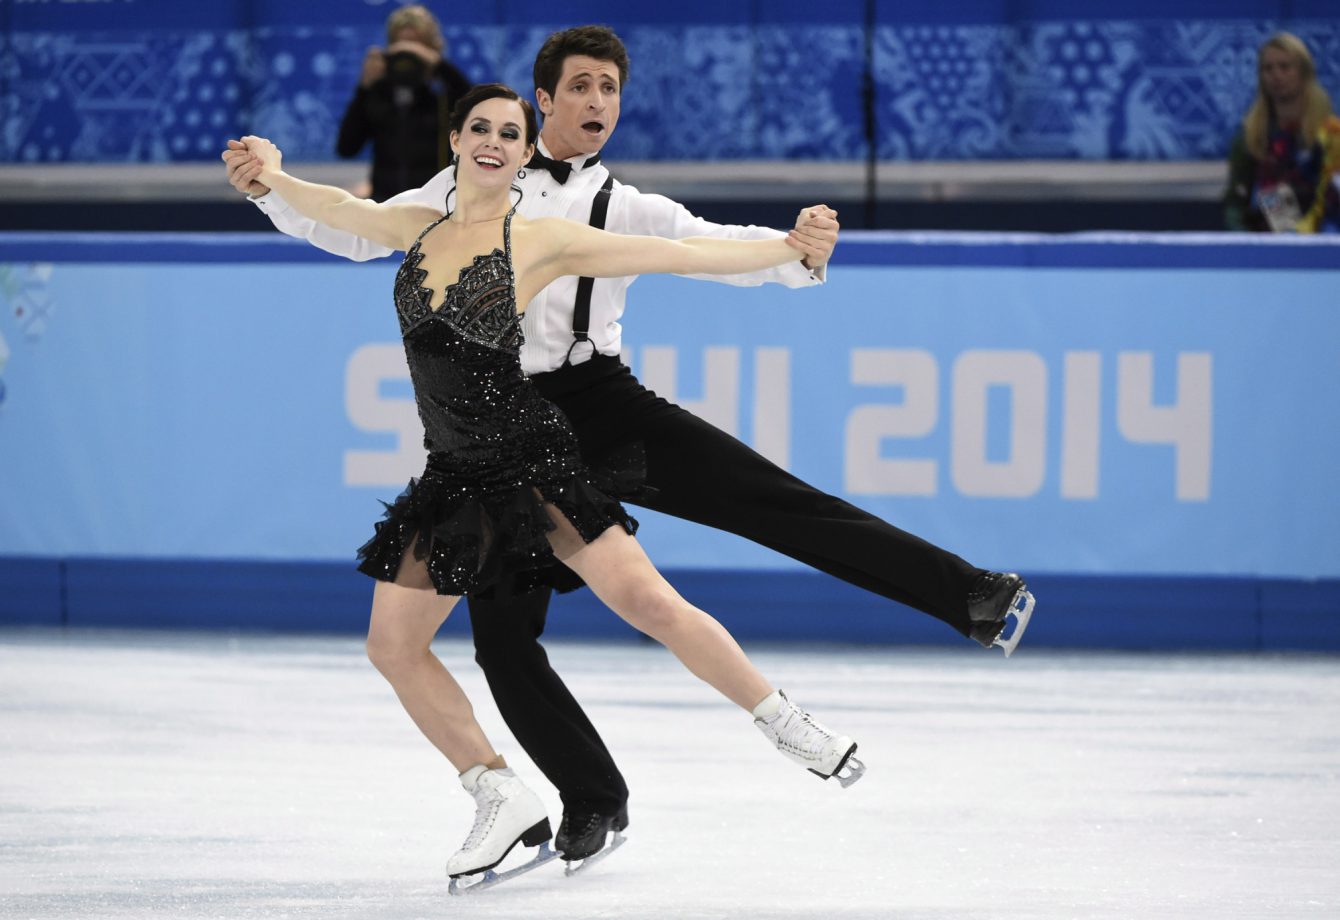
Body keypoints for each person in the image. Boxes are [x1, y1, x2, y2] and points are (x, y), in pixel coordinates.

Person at [223, 24, 1034, 870]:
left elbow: (698, 246)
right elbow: (361, 225)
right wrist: (270, 188)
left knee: (769, 503)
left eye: (608, 89)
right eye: (579, 86)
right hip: (491, 435)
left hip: (600, 406)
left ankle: (967, 596)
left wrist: (795, 257)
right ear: (541, 100)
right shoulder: (465, 182)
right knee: (502, 641)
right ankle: (589, 802)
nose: (596, 103)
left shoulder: (624, 206)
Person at [336, 4, 472, 202]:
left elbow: (475, 106)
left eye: (417, 46)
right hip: (387, 205)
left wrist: (440, 66)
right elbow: (346, 148)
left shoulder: (443, 93)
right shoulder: (380, 92)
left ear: (432, 49)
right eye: (402, 46)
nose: (409, 56)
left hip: (437, 204)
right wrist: (364, 88)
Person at [1223, 31, 1340, 233]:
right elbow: (1236, 202)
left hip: (1326, 238)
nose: (1276, 75)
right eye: (1268, 68)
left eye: (1285, 67)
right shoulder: (1251, 134)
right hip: (1272, 240)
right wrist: (1243, 241)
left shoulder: (1331, 133)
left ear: (1304, 72)